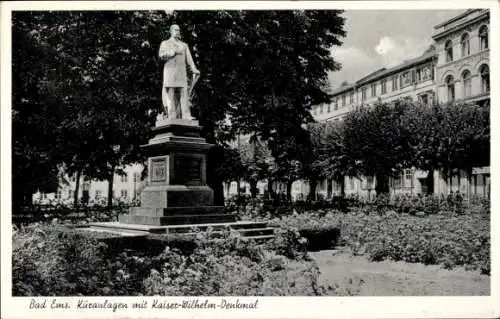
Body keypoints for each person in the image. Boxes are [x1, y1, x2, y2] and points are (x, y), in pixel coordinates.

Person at [158, 24, 200, 120]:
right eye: (176, 30)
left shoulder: (184, 45)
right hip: (170, 72)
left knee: (184, 93)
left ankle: (186, 115)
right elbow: (161, 55)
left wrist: (194, 68)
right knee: (171, 94)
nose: (178, 32)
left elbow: (189, 59)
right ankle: (171, 115)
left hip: (181, 73)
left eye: (179, 30)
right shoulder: (165, 43)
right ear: (171, 31)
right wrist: (172, 52)